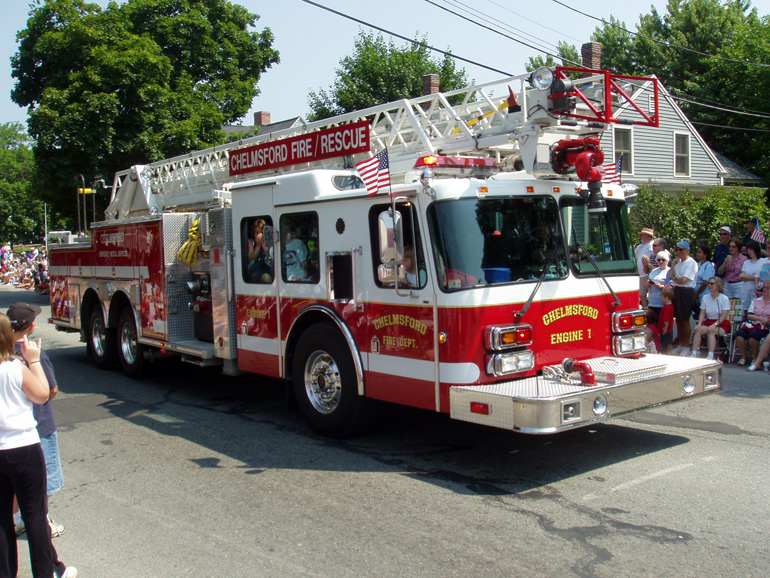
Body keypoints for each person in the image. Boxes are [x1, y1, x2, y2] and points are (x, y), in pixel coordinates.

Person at [0, 313, 77, 578]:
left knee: (2, 519)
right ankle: (45, 573)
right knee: (34, 515)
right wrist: (33, 361)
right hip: (23, 447)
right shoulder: (13, 367)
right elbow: (43, 393)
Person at [6, 303, 65, 539]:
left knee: (14, 483)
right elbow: (51, 390)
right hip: (40, 425)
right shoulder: (36, 354)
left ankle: (14, 520)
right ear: (31, 326)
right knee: (44, 480)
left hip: (13, 430)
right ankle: (42, 521)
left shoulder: (5, 353)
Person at [690, 277, 731, 360]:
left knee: (711, 331)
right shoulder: (705, 297)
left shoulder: (724, 298)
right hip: (709, 321)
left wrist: (714, 325)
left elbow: (724, 316)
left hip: (721, 323)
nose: (710, 285)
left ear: (718, 285)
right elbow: (702, 313)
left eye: (712, 283)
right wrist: (699, 324)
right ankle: (694, 353)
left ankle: (710, 355)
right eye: (709, 283)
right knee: (698, 330)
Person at [670, 240, 698, 356]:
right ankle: (681, 344)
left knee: (685, 319)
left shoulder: (691, 263)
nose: (678, 252)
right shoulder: (678, 263)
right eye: (677, 249)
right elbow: (671, 276)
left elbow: (683, 280)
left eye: (681, 250)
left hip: (686, 291)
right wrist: (673, 265)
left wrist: (675, 279)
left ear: (688, 251)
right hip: (677, 290)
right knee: (679, 319)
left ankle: (686, 346)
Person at [735, 278, 770, 368]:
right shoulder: (756, 301)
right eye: (764, 288)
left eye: (768, 288)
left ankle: (755, 358)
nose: (765, 289)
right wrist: (759, 318)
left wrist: (761, 321)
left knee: (753, 336)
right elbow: (749, 315)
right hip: (751, 324)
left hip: (765, 326)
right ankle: (744, 357)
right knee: (739, 334)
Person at [739, 240, 769, 317]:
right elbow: (741, 276)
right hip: (746, 289)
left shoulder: (762, 261)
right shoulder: (746, 262)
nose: (750, 252)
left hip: (758, 288)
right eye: (748, 250)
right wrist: (752, 277)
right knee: (745, 310)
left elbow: (759, 276)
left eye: (751, 249)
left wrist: (747, 277)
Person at [246, 218, 273, 283]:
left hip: (267, 268)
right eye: (257, 233)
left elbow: (270, 262)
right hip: (255, 269)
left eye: (261, 232)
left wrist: (266, 251)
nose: (259, 235)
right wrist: (258, 245)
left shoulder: (269, 243)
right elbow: (251, 259)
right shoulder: (251, 242)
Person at [693, 245, 715, 320]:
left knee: (704, 314)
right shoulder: (698, 265)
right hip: (697, 294)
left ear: (705, 255)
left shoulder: (708, 266)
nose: (697, 254)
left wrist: (697, 293)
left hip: (704, 294)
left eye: (700, 252)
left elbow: (705, 282)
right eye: (697, 252)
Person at [635, 228, 656, 307]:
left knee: (650, 295)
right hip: (641, 274)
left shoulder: (652, 244)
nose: (644, 237)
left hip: (648, 274)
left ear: (650, 237)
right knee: (642, 296)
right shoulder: (640, 246)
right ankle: (645, 311)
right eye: (643, 235)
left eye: (647, 236)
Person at [646, 250, 671, 318]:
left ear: (667, 261)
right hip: (652, 302)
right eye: (659, 260)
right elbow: (647, 286)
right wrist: (648, 284)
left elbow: (672, 288)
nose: (661, 262)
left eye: (663, 260)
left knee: (661, 324)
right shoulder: (654, 271)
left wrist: (661, 286)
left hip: (662, 303)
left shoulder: (670, 271)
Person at [658, 288, 675, 354]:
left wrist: (665, 328)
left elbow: (666, 320)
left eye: (662, 297)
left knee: (666, 342)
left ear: (666, 297)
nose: (661, 298)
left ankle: (668, 353)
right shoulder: (671, 306)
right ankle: (668, 352)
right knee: (668, 341)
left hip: (666, 328)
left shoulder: (666, 308)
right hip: (669, 328)